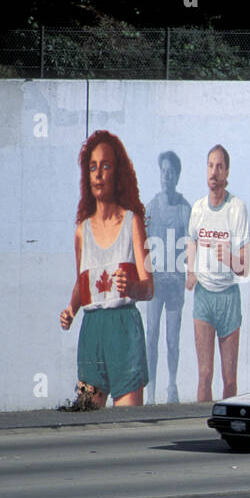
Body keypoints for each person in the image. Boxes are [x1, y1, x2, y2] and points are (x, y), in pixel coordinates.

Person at [59, 130, 154, 407]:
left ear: (118, 173)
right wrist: (71, 309)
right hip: (92, 332)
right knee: (87, 423)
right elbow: (82, 281)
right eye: (92, 167)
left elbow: (149, 287)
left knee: (126, 427)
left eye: (106, 166)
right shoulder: (81, 231)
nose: (98, 173)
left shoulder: (133, 222)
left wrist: (133, 286)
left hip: (124, 329)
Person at [187, 144, 250, 402]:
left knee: (230, 378)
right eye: (211, 165)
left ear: (227, 172)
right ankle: (198, 425)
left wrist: (231, 259)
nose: (214, 171)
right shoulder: (198, 208)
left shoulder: (237, 208)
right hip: (204, 297)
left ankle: (229, 423)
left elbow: (244, 267)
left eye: (220, 166)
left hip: (228, 298)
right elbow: (191, 240)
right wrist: (190, 271)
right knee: (204, 374)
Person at [143, 150, 191, 402]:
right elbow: (142, 245)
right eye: (163, 171)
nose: (166, 176)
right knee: (151, 335)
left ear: (177, 175)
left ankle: (171, 386)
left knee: (172, 338)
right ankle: (150, 391)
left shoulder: (185, 209)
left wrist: (185, 275)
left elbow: (192, 247)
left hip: (175, 287)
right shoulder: (150, 208)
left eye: (171, 171)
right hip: (154, 286)